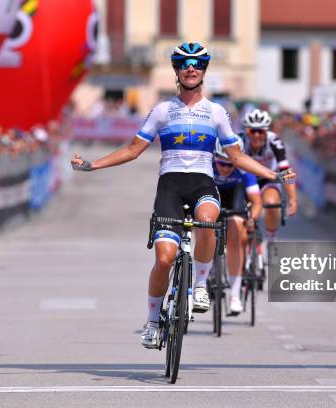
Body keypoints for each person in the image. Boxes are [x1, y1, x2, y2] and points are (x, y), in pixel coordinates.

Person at [71, 43, 296, 349]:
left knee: (208, 219)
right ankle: (152, 322)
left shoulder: (217, 112)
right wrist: (93, 165)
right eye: (185, 64)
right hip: (170, 186)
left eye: (198, 64)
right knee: (163, 259)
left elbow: (238, 157)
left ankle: (201, 285)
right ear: (177, 71)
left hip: (203, 182)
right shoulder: (162, 110)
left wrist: (273, 175)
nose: (191, 68)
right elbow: (133, 150)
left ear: (203, 71)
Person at [212, 138, 262, 314]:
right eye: (221, 164)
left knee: (237, 227)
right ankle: (207, 266)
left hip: (235, 197)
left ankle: (234, 295)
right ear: (214, 158)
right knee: (202, 223)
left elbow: (256, 202)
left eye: (229, 165)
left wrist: (251, 220)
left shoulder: (244, 169)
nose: (225, 169)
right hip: (212, 194)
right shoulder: (206, 165)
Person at [240, 109, 297, 242]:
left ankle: (272, 238)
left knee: (271, 204)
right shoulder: (239, 141)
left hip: (268, 179)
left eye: (261, 131)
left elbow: (285, 171)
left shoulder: (274, 141)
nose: (256, 135)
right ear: (246, 131)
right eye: (252, 131)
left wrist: (293, 199)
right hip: (245, 180)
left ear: (266, 131)